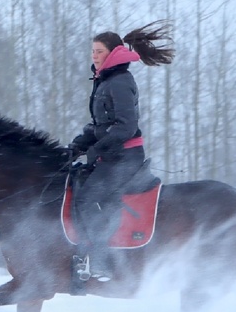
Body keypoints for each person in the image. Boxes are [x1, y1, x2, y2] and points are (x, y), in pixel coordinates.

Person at [69, 21, 174, 281]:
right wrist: (75, 147)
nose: (94, 55)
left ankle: (102, 261)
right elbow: (98, 126)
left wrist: (96, 148)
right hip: (111, 155)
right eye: (92, 51)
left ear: (113, 52)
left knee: (87, 197)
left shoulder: (119, 82)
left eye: (99, 51)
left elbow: (126, 126)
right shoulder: (104, 81)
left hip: (125, 157)